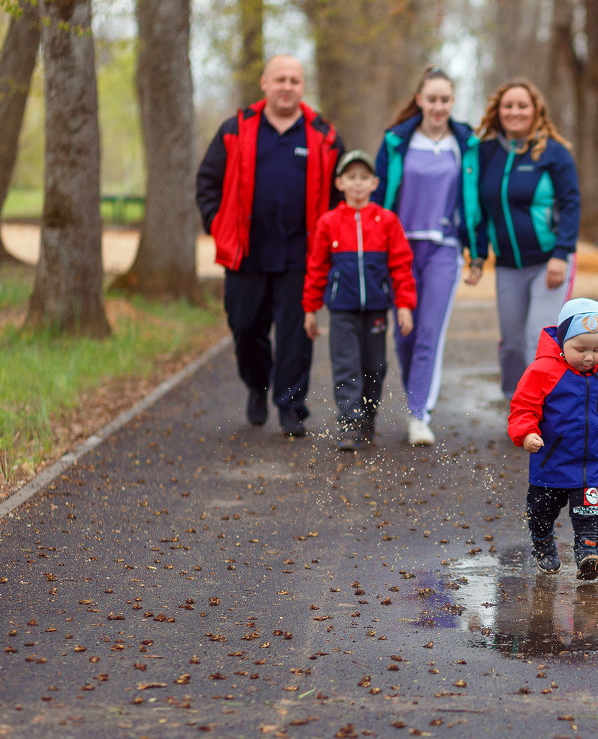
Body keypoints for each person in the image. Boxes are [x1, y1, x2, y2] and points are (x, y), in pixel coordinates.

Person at [196, 55, 345, 438]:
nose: (287, 86)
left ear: (302, 86)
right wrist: (218, 226)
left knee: (297, 336)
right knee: (245, 328)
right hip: (246, 253)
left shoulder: (324, 137)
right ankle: (258, 385)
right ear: (264, 82)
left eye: (295, 80)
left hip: (302, 254)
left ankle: (292, 406)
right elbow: (207, 182)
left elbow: (339, 194)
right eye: (280, 78)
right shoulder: (235, 129)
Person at [375, 67, 483, 446]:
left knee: (428, 334)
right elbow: (377, 196)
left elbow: (475, 202)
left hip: (444, 249)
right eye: (431, 99)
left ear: (452, 102)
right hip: (399, 250)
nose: (438, 106)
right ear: (419, 99)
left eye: (445, 100)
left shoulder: (465, 145)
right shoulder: (395, 142)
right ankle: (416, 398)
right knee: (404, 334)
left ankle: (419, 414)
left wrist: (477, 255)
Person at [507, 298, 598, 580]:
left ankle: (588, 553)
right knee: (541, 512)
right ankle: (544, 543)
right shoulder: (542, 372)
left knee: (589, 513)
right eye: (580, 349)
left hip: (588, 466)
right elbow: (523, 407)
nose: (590, 357)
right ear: (562, 342)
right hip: (551, 462)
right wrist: (526, 434)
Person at [474, 78, 581, 399]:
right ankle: (515, 403)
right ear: (498, 111)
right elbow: (477, 209)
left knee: (541, 338)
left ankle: (544, 408)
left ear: (536, 111)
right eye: (508, 106)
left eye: (522, 105)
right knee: (511, 344)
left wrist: (561, 254)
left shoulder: (554, 153)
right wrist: (478, 255)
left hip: (548, 261)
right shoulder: (485, 154)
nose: (515, 112)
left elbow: (571, 204)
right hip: (507, 265)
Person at [303, 150, 417, 452]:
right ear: (339, 183)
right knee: (346, 367)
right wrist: (310, 309)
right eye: (351, 177)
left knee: (374, 367)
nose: (357, 183)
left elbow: (401, 266)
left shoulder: (387, 221)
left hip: (377, 310)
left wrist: (404, 305)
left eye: (363, 178)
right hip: (342, 311)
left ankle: (368, 418)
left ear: (374, 183)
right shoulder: (328, 222)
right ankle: (348, 424)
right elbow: (316, 267)